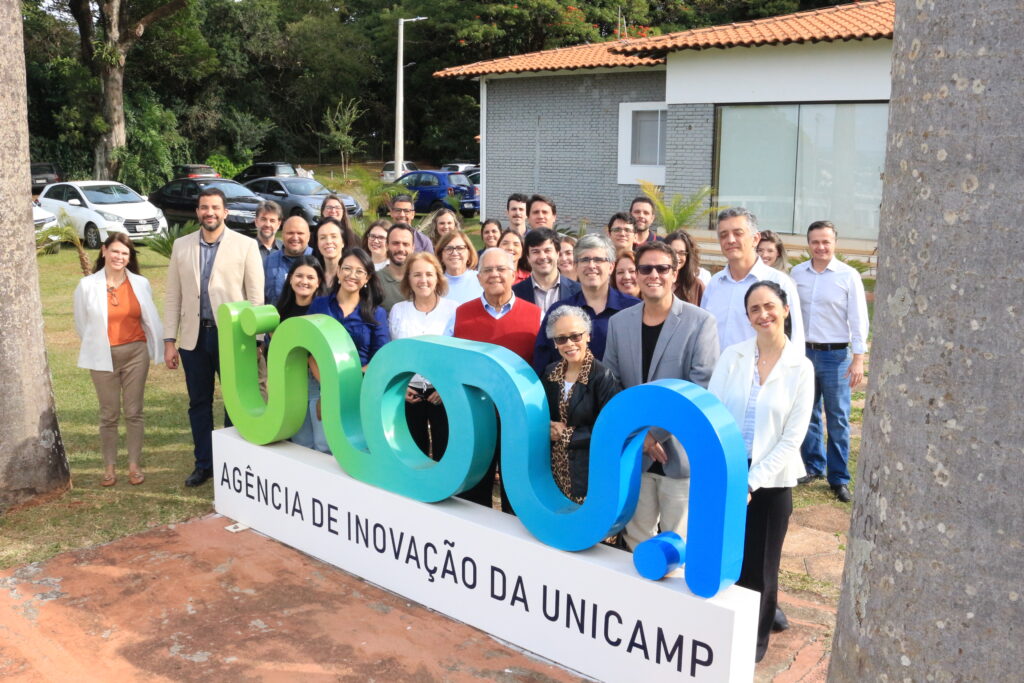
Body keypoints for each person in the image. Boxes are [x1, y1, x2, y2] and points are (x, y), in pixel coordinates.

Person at [707, 280, 814, 663]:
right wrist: (733, 476)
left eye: (770, 306)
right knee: (722, 560)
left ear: (785, 309)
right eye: (755, 309)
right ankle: (717, 635)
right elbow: (714, 414)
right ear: (747, 317)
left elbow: (791, 439)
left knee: (761, 569)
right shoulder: (733, 356)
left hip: (771, 482)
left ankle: (752, 647)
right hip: (729, 471)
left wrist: (751, 481)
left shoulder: (801, 367)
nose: (763, 314)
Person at [603, 241, 719, 550]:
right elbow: (611, 384)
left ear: (675, 272)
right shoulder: (619, 323)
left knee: (675, 545)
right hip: (634, 456)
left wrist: (654, 435)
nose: (654, 275)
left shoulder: (700, 323)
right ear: (636, 274)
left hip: (678, 454)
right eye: (646, 268)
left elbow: (698, 388)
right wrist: (639, 437)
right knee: (634, 543)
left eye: (662, 268)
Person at [163, 187, 264, 487]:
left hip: (232, 339)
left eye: (215, 207)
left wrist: (256, 340)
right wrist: (170, 340)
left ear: (225, 212)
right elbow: (173, 296)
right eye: (204, 207)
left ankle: (232, 464)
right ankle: (204, 464)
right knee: (199, 403)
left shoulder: (245, 246)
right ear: (197, 212)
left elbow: (256, 298)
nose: (210, 212)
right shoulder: (181, 246)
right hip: (193, 340)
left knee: (235, 403)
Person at [449, 248, 543, 511]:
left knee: (517, 490)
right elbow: (451, 364)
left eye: (501, 269)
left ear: (514, 274)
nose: (495, 275)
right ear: (478, 277)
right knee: (474, 490)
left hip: (518, 417)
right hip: (475, 418)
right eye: (487, 270)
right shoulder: (459, 314)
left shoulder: (537, 315)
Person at [73, 233, 162, 487]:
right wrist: (101, 343)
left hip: (136, 354)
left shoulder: (141, 283)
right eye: (115, 251)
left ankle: (134, 465)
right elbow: (82, 324)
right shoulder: (87, 285)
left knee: (134, 412)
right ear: (104, 251)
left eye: (125, 253)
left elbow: (149, 318)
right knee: (109, 414)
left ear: (129, 257)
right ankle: (109, 467)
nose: (119, 257)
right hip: (103, 357)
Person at [790, 220, 869, 503]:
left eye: (826, 241)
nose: (821, 247)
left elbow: (859, 318)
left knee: (838, 417)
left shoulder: (848, 276)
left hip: (836, 356)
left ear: (835, 243)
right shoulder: (797, 274)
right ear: (808, 243)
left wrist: (858, 359)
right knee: (807, 412)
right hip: (804, 354)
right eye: (815, 242)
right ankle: (813, 465)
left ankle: (839, 478)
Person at [307, 248, 390, 451]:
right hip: (322, 387)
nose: (352, 275)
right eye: (347, 269)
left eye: (359, 271)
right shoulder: (319, 305)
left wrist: (349, 383)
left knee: (354, 448)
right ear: (338, 272)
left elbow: (380, 356)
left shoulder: (376, 313)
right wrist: (329, 388)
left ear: (368, 278)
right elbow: (310, 351)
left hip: (360, 391)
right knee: (323, 446)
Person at [541, 305, 621, 502]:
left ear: (588, 336)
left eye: (576, 336)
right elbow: (542, 414)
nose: (569, 344)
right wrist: (545, 427)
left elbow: (610, 429)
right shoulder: (550, 373)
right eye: (561, 338)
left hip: (587, 475)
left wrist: (567, 434)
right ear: (554, 343)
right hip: (551, 473)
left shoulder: (603, 377)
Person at [532, 233, 639, 375]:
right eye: (585, 260)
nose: (591, 265)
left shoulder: (634, 309)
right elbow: (542, 363)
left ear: (611, 266)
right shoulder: (559, 312)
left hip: (621, 395)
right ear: (575, 266)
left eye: (598, 260)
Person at [388, 252, 459, 460]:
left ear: (438, 276)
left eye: (429, 274)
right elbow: (395, 353)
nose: (423, 280)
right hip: (409, 394)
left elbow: (458, 357)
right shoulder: (398, 310)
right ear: (408, 279)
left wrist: (445, 386)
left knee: (444, 453)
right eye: (417, 274)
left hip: (443, 394)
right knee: (412, 453)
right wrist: (402, 386)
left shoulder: (454, 309)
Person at [702, 207, 804, 351]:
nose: (730, 240)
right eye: (724, 235)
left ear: (755, 239)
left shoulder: (779, 283)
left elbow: (796, 338)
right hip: (718, 372)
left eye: (738, 233)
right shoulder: (715, 283)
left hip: (760, 372)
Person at [271, 256, 326, 451]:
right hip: (292, 381)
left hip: (318, 380)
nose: (304, 281)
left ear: (318, 281)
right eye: (299, 276)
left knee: (323, 443)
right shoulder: (280, 310)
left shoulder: (323, 309)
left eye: (311, 277)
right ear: (290, 278)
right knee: (301, 443)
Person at [512, 228, 581, 313]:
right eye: (535, 252)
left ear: (557, 253)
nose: (542, 256)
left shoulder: (579, 291)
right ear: (528, 257)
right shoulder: (514, 294)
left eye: (547, 250)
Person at [263, 215, 312, 305]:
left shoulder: (318, 260)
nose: (295, 237)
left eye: (300, 233)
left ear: (308, 236)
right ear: (282, 235)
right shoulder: (268, 262)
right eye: (290, 233)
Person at [436, 230, 483, 304]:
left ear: (469, 253)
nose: (454, 253)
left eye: (460, 248)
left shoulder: (482, 280)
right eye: (448, 248)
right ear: (441, 255)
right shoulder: (434, 284)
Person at [378, 223, 415, 312]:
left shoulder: (422, 279)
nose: (401, 249)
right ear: (387, 245)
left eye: (406, 244)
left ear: (413, 248)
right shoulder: (375, 281)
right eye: (395, 243)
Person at [664, 230, 705, 306]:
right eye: (672, 251)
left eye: (682, 253)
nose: (676, 257)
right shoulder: (656, 281)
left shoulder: (697, 286)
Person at [313, 217, 346, 289]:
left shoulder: (351, 275)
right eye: (322, 238)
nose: (328, 241)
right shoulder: (313, 276)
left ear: (343, 242)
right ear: (317, 244)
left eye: (334, 236)